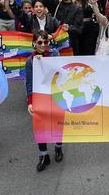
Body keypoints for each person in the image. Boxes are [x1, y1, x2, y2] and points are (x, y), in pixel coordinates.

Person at [26, 30, 64, 171]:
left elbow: (61, 73)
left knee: (58, 123)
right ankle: (44, 155)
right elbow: (29, 83)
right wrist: (30, 102)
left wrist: (49, 62)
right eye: (40, 42)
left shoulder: (54, 54)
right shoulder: (30, 61)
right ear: (34, 44)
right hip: (40, 97)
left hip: (55, 94)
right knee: (41, 126)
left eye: (45, 42)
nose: (43, 45)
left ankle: (58, 148)